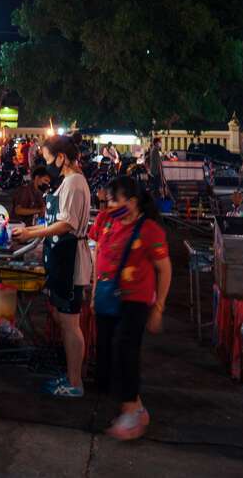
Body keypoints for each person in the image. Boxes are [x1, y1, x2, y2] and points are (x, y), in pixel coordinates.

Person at [90, 175, 171, 440]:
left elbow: (164, 269)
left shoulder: (149, 230)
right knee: (105, 354)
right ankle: (132, 406)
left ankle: (132, 410)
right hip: (105, 296)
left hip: (135, 300)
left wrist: (158, 307)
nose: (109, 204)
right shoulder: (104, 221)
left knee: (125, 349)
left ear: (133, 202)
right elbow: (97, 255)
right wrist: (92, 294)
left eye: (115, 200)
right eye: (108, 199)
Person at [13, 136, 92, 397]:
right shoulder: (67, 182)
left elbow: (65, 225)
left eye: (48, 160)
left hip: (71, 262)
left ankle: (75, 382)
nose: (47, 166)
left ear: (61, 157)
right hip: (60, 258)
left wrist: (31, 234)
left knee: (70, 323)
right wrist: (27, 231)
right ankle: (70, 374)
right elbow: (53, 221)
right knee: (62, 318)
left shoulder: (74, 183)